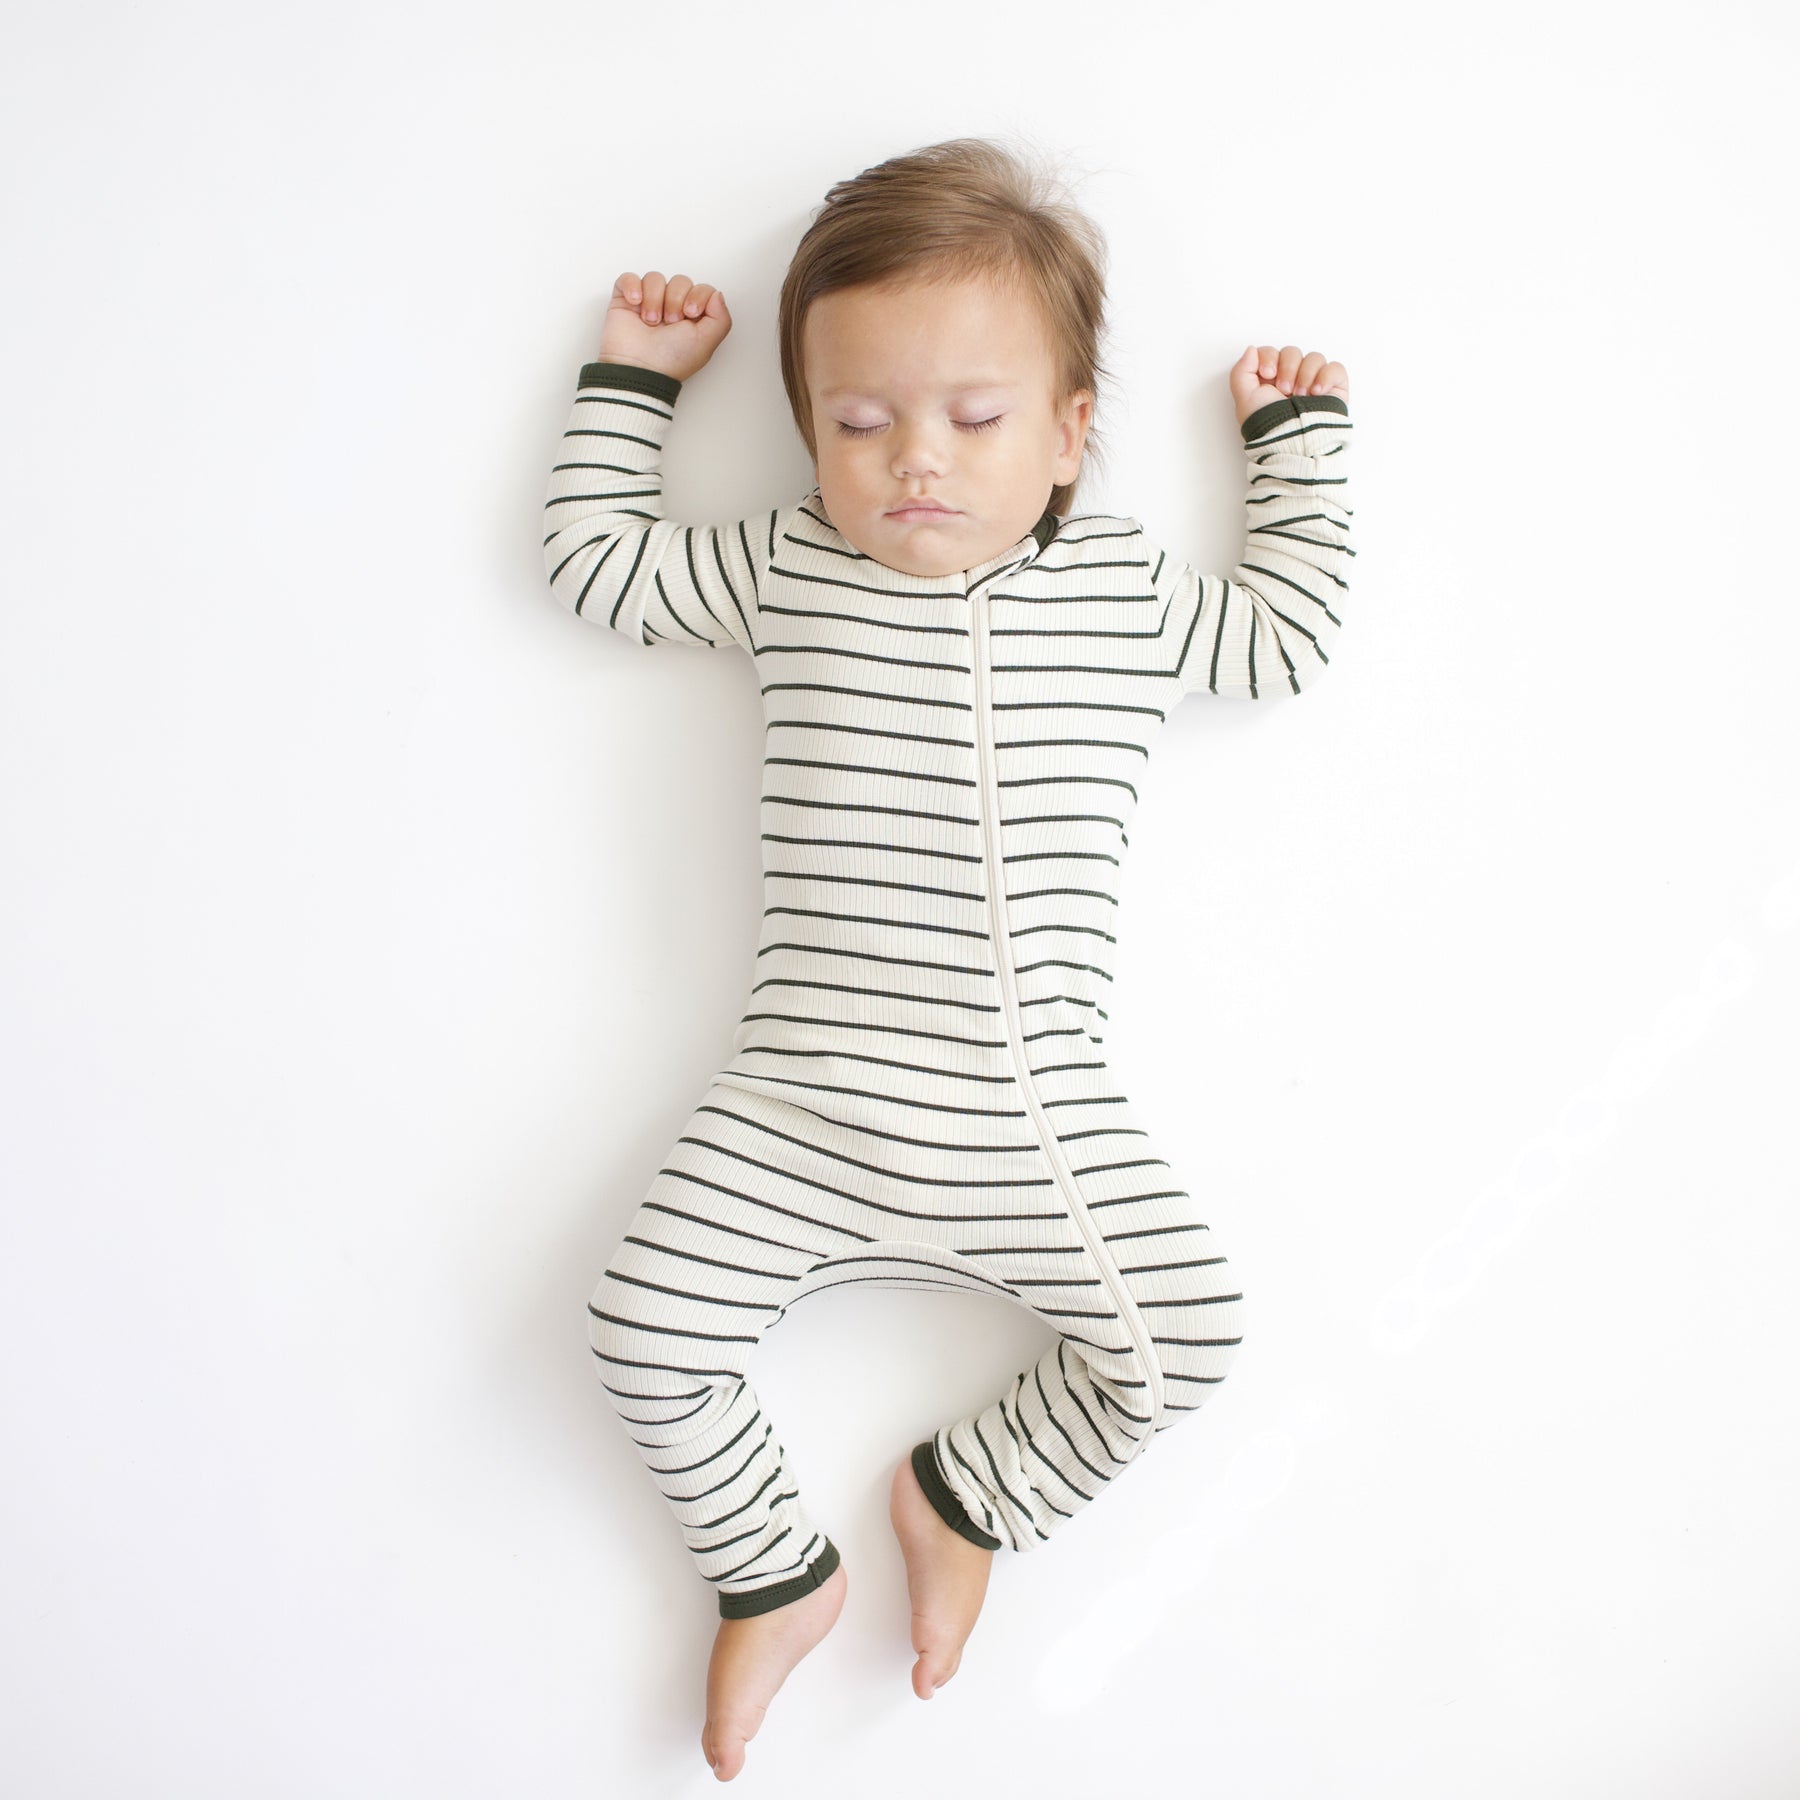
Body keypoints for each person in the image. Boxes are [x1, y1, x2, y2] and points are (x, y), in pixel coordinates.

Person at [541, 136, 1353, 1781]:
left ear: (1068, 435)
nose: (916, 459)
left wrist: (1296, 447)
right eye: (858, 421)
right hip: (799, 1109)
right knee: (639, 1328)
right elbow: (601, 569)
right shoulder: (788, 569)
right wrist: (634, 381)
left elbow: (1284, 637)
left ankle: (965, 1492)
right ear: (808, 438)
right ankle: (770, 1571)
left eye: (975, 420)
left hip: (1025, 1119)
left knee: (1185, 1338)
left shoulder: (1124, 585)